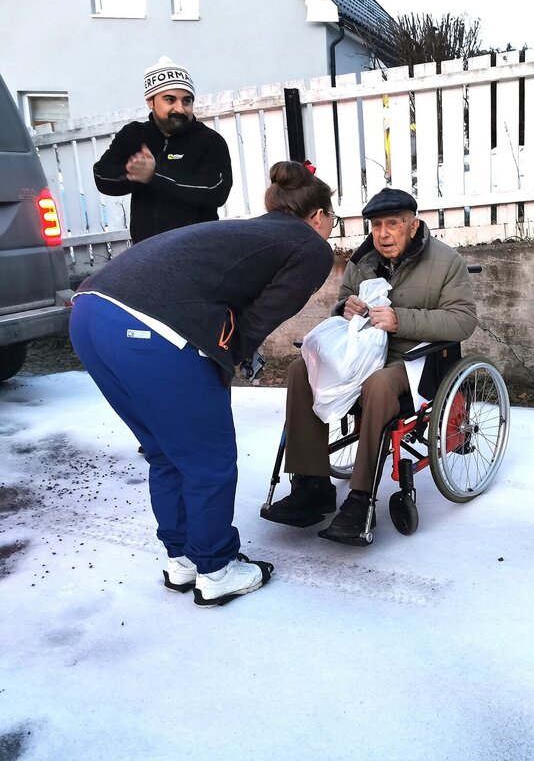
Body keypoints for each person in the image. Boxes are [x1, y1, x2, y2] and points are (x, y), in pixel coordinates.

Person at [69, 161, 337, 606]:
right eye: (332, 218)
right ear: (317, 216)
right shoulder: (310, 245)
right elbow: (265, 314)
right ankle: (216, 568)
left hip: (91, 314)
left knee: (166, 451)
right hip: (151, 330)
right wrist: (229, 355)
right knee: (208, 459)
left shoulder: (248, 233)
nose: (330, 227)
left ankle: (184, 559)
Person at [261, 187, 478, 545]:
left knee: (378, 384)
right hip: (360, 355)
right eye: (376, 225)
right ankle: (311, 484)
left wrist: (400, 320)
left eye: (393, 223)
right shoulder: (362, 262)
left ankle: (360, 499)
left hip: (413, 360)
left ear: (413, 225)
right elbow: (343, 304)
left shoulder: (445, 261)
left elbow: (463, 321)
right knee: (302, 369)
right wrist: (343, 308)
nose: (383, 233)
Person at [93, 56, 232, 244]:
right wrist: (135, 175)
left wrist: (156, 174)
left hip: (197, 250)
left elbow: (216, 190)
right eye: (170, 100)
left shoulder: (209, 141)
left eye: (187, 101)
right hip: (146, 251)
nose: (180, 109)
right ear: (150, 101)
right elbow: (102, 177)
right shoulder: (134, 134)